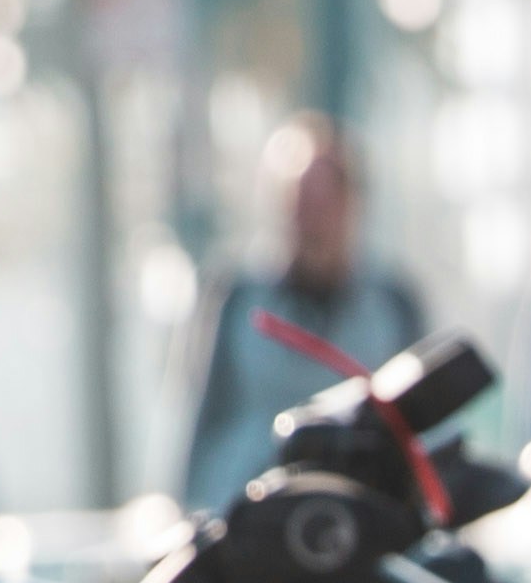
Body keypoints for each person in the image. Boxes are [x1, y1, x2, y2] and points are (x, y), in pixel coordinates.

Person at [178, 115, 432, 507]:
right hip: (252, 516)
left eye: (327, 203)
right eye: (302, 204)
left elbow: (422, 432)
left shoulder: (392, 304)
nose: (314, 222)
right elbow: (200, 428)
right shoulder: (238, 301)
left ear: (353, 206)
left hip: (365, 517)